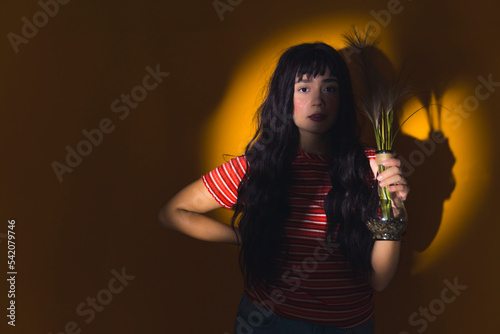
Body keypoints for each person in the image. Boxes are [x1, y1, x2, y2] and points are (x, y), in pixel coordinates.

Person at [157, 42, 409, 334]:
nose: (318, 101)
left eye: (330, 88)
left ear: (342, 99)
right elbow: (172, 212)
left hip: (351, 326)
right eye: (303, 88)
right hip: (272, 323)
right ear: (284, 97)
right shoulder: (258, 167)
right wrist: (246, 237)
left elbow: (379, 279)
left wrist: (396, 208)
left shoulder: (372, 166)